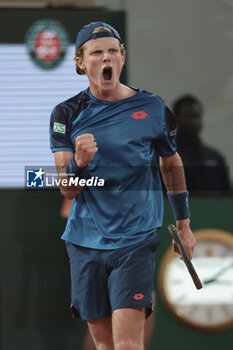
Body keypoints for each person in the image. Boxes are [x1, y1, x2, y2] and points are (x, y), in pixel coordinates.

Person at [50, 22, 195, 350]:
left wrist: (184, 224)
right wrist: (80, 162)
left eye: (113, 50)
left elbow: (170, 163)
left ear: (122, 57)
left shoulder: (153, 108)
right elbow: (67, 189)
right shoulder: (65, 114)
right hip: (85, 243)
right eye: (97, 52)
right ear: (80, 63)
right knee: (105, 346)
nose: (107, 58)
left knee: (128, 344)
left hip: (135, 240)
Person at [173, 95, 231, 195]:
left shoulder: (215, 157)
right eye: (188, 117)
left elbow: (227, 195)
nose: (194, 122)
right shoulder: (164, 155)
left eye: (197, 116)